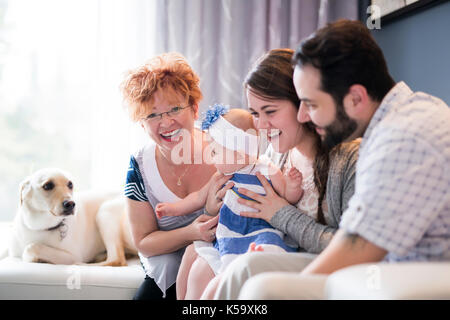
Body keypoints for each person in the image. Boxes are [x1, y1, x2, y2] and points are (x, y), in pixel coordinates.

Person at [238, 19, 450, 300]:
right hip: (384, 266)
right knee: (252, 268)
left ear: (355, 99)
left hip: (411, 276)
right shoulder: (400, 117)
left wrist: (292, 290)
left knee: (263, 290)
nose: (303, 116)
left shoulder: (403, 138)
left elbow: (356, 247)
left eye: (311, 104)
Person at [199, 48, 360, 300]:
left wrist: (281, 214)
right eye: (254, 114)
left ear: (303, 105)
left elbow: (357, 248)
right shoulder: (274, 158)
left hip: (326, 270)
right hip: (277, 258)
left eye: (270, 111)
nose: (261, 126)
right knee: (200, 261)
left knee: (241, 272)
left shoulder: (349, 160)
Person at [156, 105, 303, 299]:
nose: (211, 159)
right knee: (194, 255)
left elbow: (287, 196)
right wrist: (173, 209)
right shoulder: (221, 176)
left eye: (215, 152)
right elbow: (198, 198)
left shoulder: (266, 168)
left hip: (261, 230)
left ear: (240, 153)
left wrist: (293, 185)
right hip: (230, 232)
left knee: (263, 248)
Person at [120, 52, 226, 300]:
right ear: (142, 123)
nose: (165, 122)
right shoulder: (139, 166)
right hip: (166, 267)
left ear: (195, 108)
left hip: (218, 258)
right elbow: (144, 241)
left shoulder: (225, 150)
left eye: (174, 109)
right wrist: (192, 232)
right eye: (152, 115)